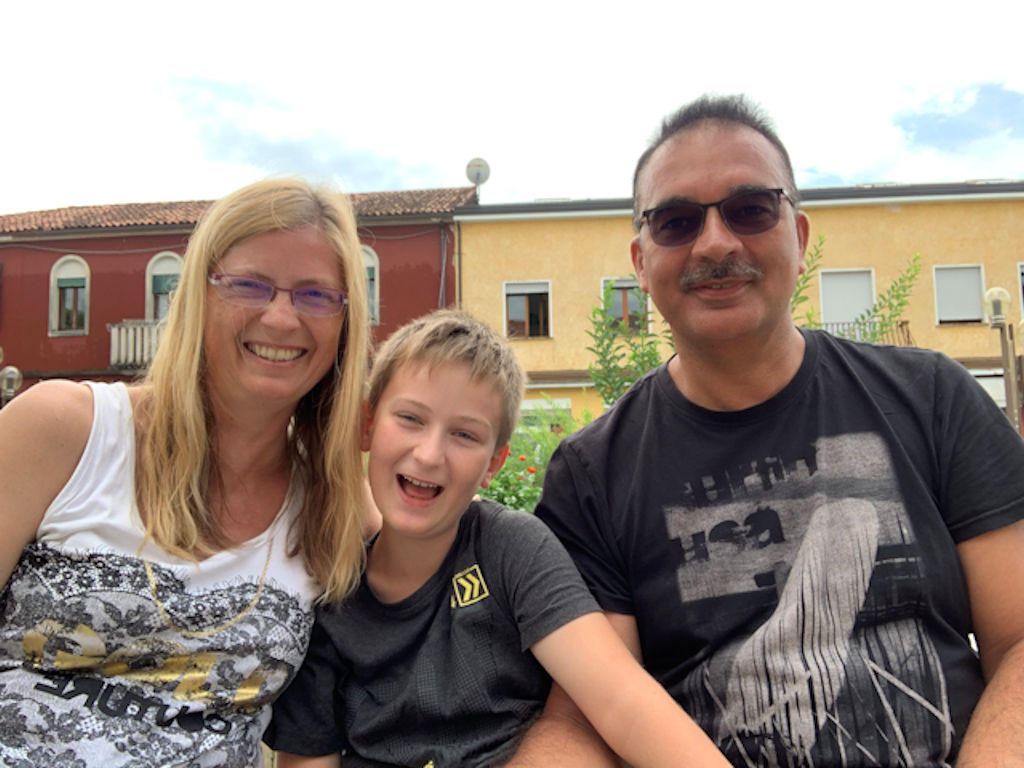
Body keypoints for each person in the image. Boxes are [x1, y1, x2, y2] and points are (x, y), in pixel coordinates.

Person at [533, 94, 1024, 767]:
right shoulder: (592, 473)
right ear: (641, 262)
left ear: (799, 235)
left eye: (750, 209)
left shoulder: (933, 397)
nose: (715, 242)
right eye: (676, 221)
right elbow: (587, 714)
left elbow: (1018, 640)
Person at [0, 177, 372, 767]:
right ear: (198, 295)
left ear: (345, 321)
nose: (281, 318)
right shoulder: (63, 431)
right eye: (249, 285)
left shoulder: (336, 509)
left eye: (315, 294)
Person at [264, 309, 729, 768]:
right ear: (368, 425)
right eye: (410, 418)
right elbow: (307, 759)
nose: (429, 454)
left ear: (493, 464)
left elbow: (624, 702)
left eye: (464, 435)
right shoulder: (329, 600)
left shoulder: (509, 548)